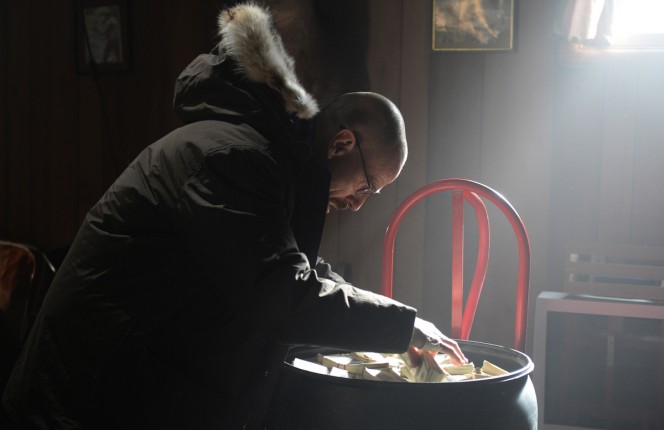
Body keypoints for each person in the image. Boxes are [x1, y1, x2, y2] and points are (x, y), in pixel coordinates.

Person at [2, 3, 466, 429]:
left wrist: (396, 320)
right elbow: (280, 294)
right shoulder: (229, 158)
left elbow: (292, 265)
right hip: (82, 403)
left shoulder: (264, 159)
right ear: (343, 143)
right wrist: (402, 326)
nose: (359, 203)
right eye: (367, 186)